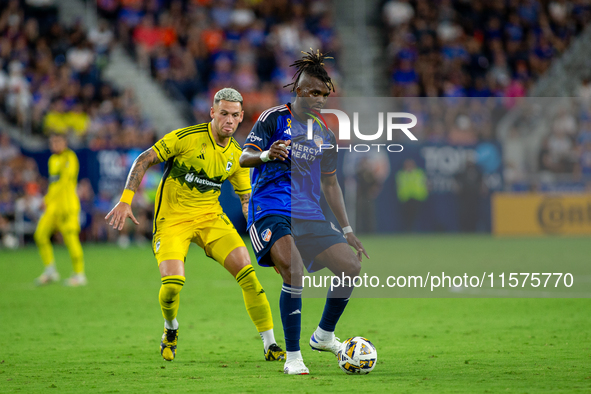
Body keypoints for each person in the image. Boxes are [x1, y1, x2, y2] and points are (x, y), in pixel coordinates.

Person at [105, 88, 285, 362]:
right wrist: (125, 200)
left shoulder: (237, 156)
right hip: (173, 221)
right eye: (223, 113)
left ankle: (270, 345)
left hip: (211, 219)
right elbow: (144, 159)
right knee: (173, 285)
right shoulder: (185, 138)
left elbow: (246, 199)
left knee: (249, 276)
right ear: (212, 113)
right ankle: (171, 328)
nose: (229, 120)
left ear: (241, 118)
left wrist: (261, 237)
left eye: (234, 115)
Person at [239, 50, 368, 375]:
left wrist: (348, 229)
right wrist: (268, 154)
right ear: (298, 91)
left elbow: (331, 184)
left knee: (350, 267)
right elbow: (244, 158)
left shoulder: (324, 134)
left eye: (324, 95)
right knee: (293, 272)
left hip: (309, 215)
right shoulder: (272, 118)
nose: (320, 99)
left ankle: (323, 336)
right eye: (314, 92)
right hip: (269, 209)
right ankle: (293, 357)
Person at [34, 133, 87, 286]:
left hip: (67, 206)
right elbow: (54, 184)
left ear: (65, 142)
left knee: (71, 239)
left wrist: (46, 199)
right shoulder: (52, 159)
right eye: (52, 142)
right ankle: (50, 271)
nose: (54, 145)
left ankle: (79, 274)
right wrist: (48, 201)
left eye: (58, 141)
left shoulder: (69, 158)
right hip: (53, 207)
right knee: (40, 234)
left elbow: (64, 183)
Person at [395, 158, 428, 232]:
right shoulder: (401, 174)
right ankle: (407, 230)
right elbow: (398, 186)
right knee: (406, 217)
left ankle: (414, 230)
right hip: (405, 198)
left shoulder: (419, 173)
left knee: (415, 216)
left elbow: (425, 184)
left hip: (417, 197)